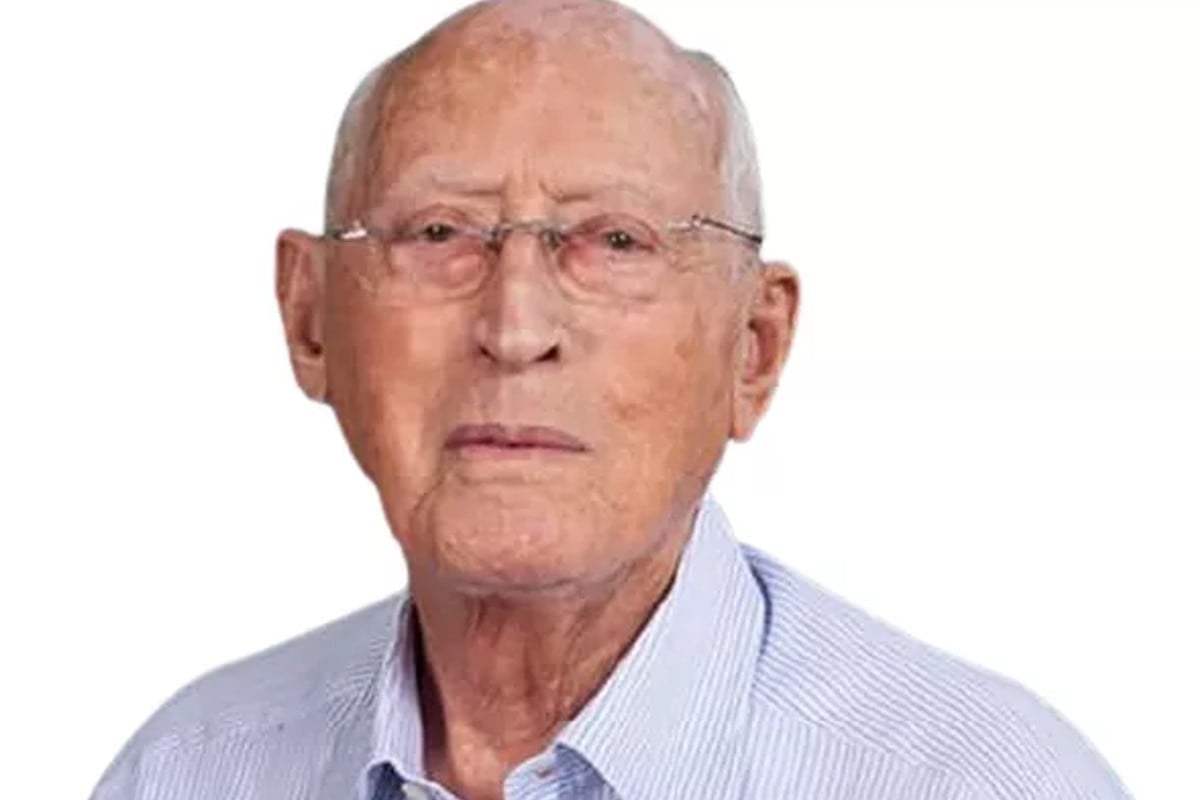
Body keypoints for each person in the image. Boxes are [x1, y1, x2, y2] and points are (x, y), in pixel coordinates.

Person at [89, 1, 1130, 798]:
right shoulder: (187, 772)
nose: (515, 325)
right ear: (311, 318)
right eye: (440, 233)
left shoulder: (978, 783)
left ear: (754, 347)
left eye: (616, 241)